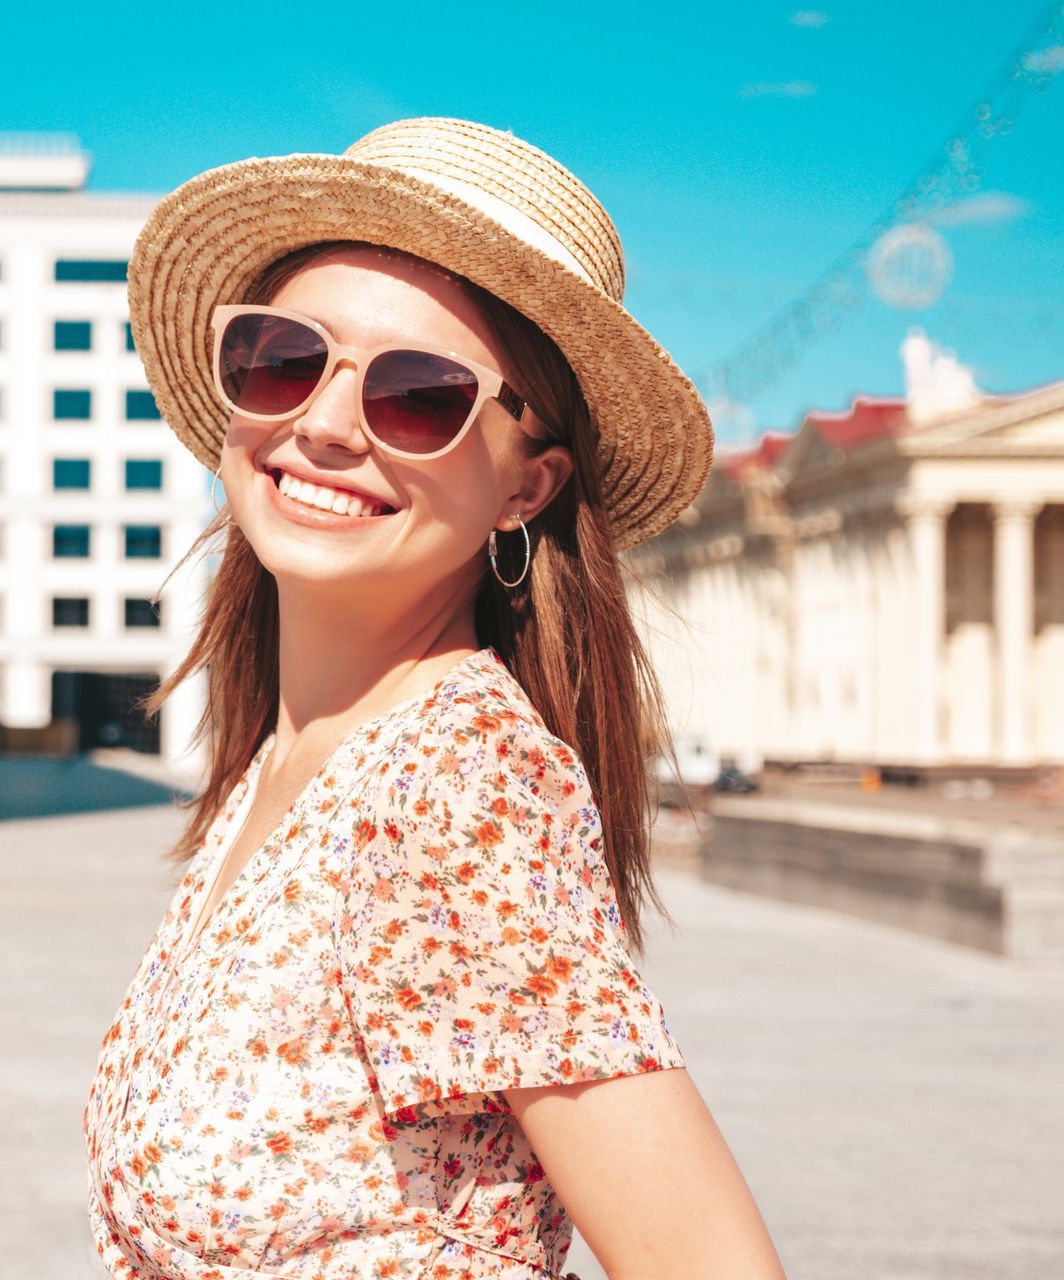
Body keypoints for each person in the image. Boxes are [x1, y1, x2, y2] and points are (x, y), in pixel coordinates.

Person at [82, 118, 785, 1279]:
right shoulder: (291, 757)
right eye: (284, 355)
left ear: (527, 483)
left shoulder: (461, 784)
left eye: (417, 393)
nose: (318, 422)